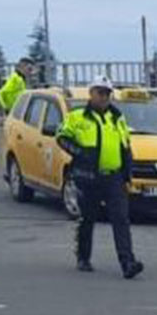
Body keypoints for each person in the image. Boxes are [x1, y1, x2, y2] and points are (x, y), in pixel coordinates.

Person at [56, 76, 143, 279]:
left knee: (121, 219)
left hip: (113, 177)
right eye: (100, 92)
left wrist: (127, 173)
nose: (104, 97)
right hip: (89, 177)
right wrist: (79, 153)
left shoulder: (117, 117)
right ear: (91, 93)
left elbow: (125, 146)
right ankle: (83, 256)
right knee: (88, 218)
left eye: (107, 93)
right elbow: (61, 137)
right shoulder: (78, 116)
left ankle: (127, 262)